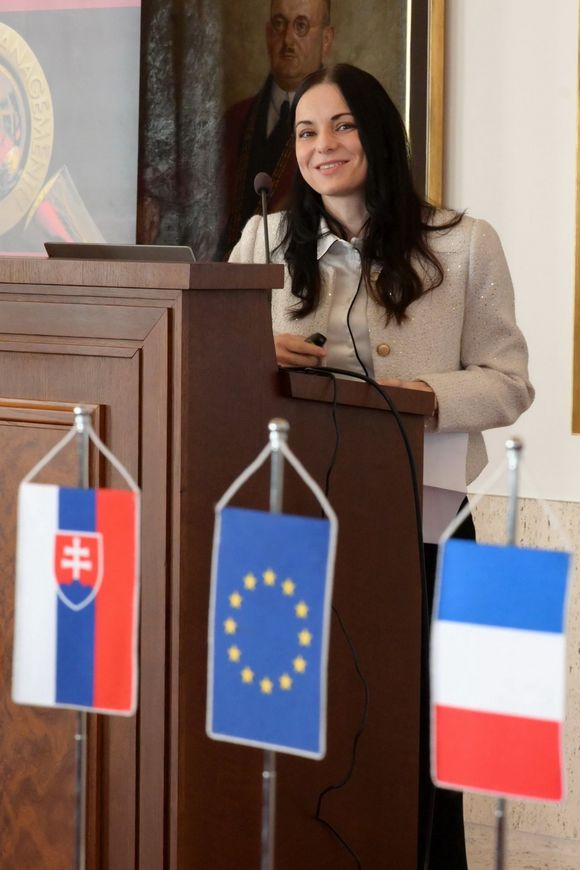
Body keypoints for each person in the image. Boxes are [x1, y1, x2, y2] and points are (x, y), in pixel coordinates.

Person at [230, 63, 534, 868]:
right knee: (301, 720)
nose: (322, 146)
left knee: (424, 729)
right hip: (296, 518)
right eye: (305, 132)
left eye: (342, 125)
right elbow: (219, 367)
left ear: (379, 134)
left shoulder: (464, 243)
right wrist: (255, 350)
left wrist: (422, 396)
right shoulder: (262, 240)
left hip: (421, 518)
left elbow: (509, 383)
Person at [221, 0, 334, 255]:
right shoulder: (233, 120)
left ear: (326, 40)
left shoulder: (340, 133)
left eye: (301, 26)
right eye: (279, 24)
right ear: (267, 34)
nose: (288, 40)